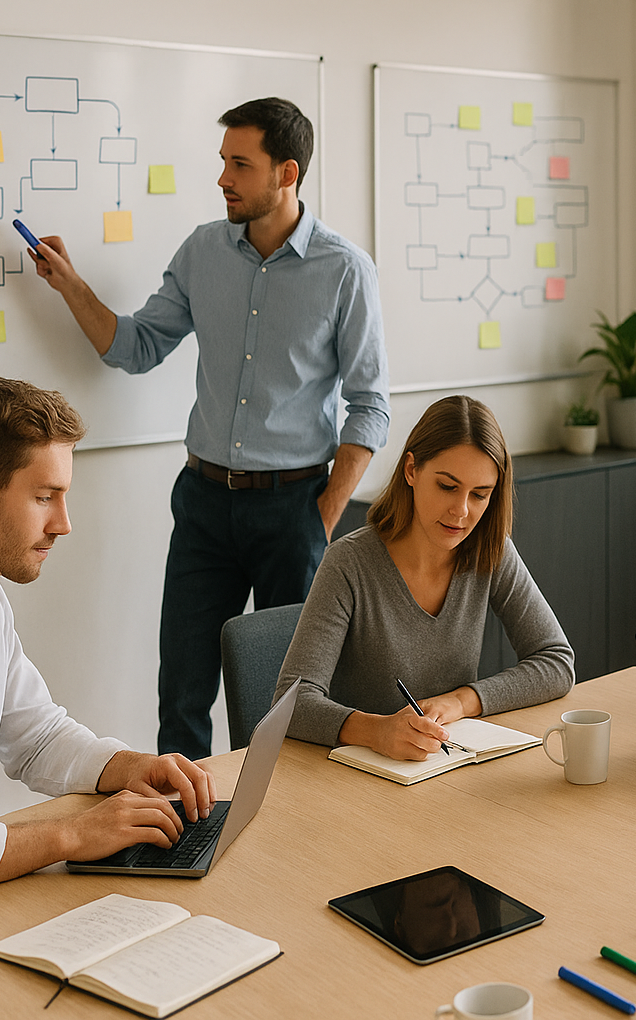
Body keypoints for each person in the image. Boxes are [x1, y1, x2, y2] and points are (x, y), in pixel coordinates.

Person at [26, 96, 390, 762]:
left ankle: (280, 832)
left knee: (290, 696)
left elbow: (370, 405)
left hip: (294, 509)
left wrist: (325, 512)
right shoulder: (203, 251)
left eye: (240, 165)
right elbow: (132, 346)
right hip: (204, 504)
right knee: (183, 691)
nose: (223, 178)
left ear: (287, 173)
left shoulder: (345, 270)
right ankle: (181, 830)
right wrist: (70, 284)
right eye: (223, 161)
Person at [0, 379, 217, 1010]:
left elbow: (35, 735)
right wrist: (69, 836)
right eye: (45, 497)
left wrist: (127, 767)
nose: (64, 524)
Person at [273, 396, 573, 760]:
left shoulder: (490, 551)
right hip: (358, 782)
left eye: (480, 495)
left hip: (446, 768)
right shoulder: (348, 563)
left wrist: (462, 701)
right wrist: (376, 731)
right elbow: (291, 703)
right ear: (412, 470)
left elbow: (556, 661)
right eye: (447, 486)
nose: (461, 511)